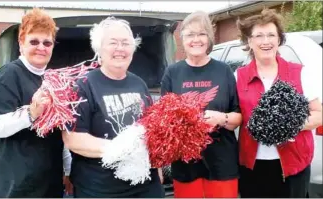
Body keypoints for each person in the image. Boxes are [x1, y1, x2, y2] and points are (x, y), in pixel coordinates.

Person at [62, 17, 164, 198]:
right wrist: (121, 147)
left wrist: (158, 166)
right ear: (99, 48)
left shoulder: (139, 84)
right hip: (100, 189)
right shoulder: (84, 85)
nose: (120, 48)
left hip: (145, 186)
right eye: (113, 42)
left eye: (126, 43)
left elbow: (152, 129)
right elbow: (73, 139)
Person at [0, 8, 72, 198]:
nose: (41, 47)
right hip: (17, 188)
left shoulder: (53, 79)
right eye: (34, 41)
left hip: (49, 186)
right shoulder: (9, 75)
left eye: (47, 42)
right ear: (21, 43)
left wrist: (68, 170)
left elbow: (61, 133)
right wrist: (31, 113)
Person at [235, 8, 323, 198]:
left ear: (279, 40)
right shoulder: (238, 77)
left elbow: (318, 114)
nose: (265, 41)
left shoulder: (299, 73)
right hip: (253, 166)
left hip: (293, 166)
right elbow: (235, 116)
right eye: (258, 35)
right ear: (249, 42)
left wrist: (286, 125)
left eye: (271, 35)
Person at [161, 11, 242, 198]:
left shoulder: (224, 71)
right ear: (182, 39)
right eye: (190, 34)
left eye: (201, 34)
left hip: (221, 161)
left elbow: (238, 117)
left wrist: (222, 118)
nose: (196, 39)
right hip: (185, 163)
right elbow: (163, 119)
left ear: (209, 38)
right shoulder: (173, 72)